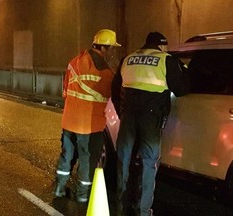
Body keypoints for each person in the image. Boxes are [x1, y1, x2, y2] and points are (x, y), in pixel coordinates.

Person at [111, 32, 190, 216]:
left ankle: (121, 208)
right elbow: (181, 89)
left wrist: (121, 112)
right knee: (149, 163)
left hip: (128, 115)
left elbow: (115, 90)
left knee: (124, 160)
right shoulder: (166, 60)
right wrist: (185, 70)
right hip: (151, 117)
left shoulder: (128, 58)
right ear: (162, 46)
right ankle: (143, 210)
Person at [53, 29, 121, 203]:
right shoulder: (106, 73)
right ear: (105, 48)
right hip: (90, 126)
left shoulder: (74, 62)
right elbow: (112, 98)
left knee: (67, 154)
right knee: (87, 160)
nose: (113, 52)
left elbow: (65, 91)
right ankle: (82, 196)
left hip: (69, 121)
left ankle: (60, 188)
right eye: (112, 48)